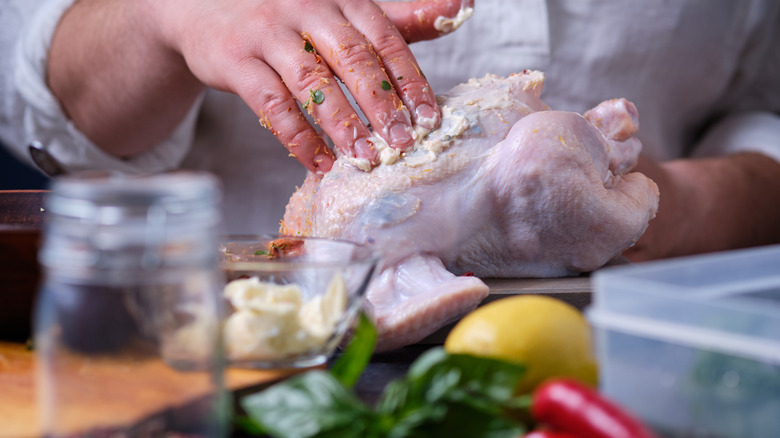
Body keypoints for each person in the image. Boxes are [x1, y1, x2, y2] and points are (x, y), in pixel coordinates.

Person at [2, 0, 779, 262]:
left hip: (636, 348)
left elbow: (761, 103)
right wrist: (163, 17)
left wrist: (686, 203)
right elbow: (44, 90)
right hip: (248, 353)